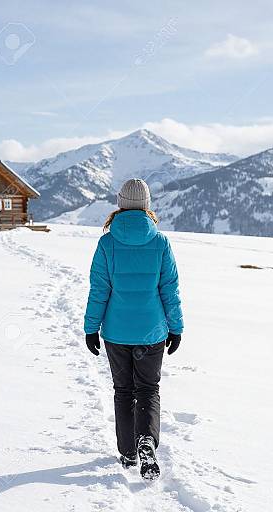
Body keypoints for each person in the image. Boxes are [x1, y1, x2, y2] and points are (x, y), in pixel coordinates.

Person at [83, 178, 184, 480]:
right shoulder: (161, 242)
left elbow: (98, 290)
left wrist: (91, 328)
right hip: (152, 332)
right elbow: (170, 289)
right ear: (147, 205)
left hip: (116, 332)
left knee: (124, 391)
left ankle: (128, 451)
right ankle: (146, 442)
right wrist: (176, 327)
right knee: (149, 390)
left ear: (120, 204)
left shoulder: (107, 243)